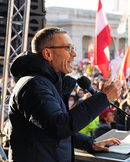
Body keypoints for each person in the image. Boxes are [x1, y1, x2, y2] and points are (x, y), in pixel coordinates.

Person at [9, 27, 122, 162]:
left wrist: (89, 143)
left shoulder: (46, 82)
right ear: (48, 54)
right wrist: (103, 98)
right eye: (68, 48)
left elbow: (50, 133)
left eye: (73, 47)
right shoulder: (33, 86)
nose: (73, 54)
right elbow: (59, 127)